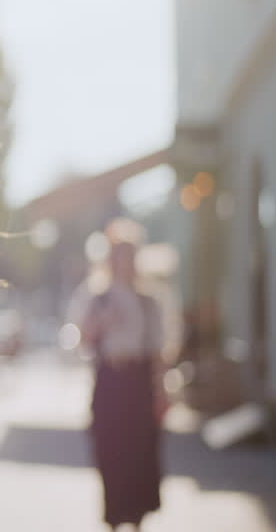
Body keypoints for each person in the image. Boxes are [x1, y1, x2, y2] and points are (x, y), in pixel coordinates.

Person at [78, 218, 167, 530]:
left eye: (127, 254)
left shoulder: (148, 300)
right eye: (117, 254)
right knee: (110, 450)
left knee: (139, 452)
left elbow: (158, 351)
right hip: (109, 381)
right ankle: (114, 518)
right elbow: (83, 341)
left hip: (138, 382)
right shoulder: (96, 296)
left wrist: (162, 392)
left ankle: (137, 519)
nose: (122, 261)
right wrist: (103, 322)